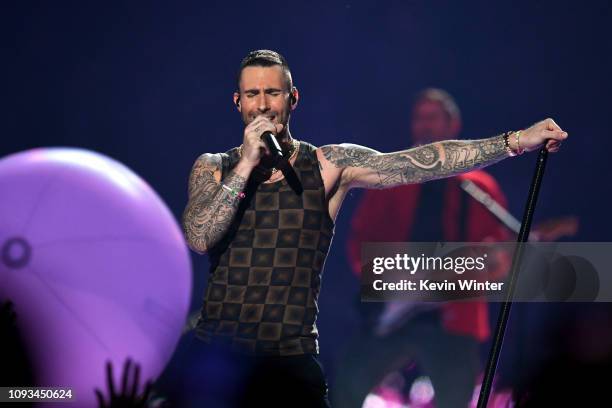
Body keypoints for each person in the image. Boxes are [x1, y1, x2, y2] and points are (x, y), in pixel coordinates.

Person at [180, 49, 567, 407]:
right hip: (219, 355)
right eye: (252, 94)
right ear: (238, 102)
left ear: (292, 98)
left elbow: (423, 161)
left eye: (272, 93)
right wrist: (246, 165)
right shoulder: (213, 167)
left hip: (290, 356)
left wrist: (515, 141)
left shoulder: (329, 165)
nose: (263, 105)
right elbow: (199, 237)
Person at [334, 88, 511, 408]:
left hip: (453, 317)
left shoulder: (479, 187)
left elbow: (495, 257)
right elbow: (359, 243)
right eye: (419, 118)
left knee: (457, 397)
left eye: (433, 117)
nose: (424, 125)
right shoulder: (390, 178)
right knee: (346, 386)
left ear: (452, 125)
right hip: (393, 312)